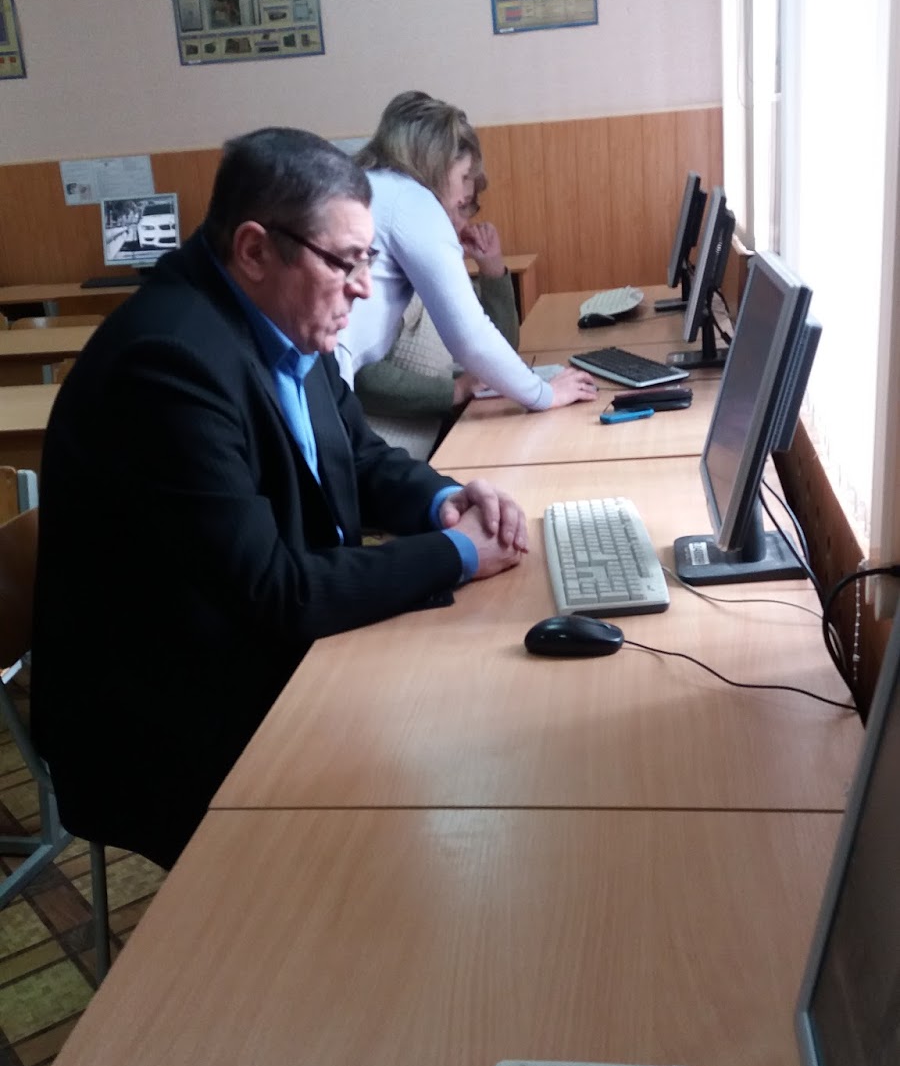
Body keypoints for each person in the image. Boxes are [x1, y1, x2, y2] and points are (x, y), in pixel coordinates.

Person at [31, 128, 529, 871]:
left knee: (472, 723)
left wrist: (447, 501)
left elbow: (359, 457)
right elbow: (276, 593)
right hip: (168, 721)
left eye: (367, 259)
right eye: (345, 261)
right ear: (256, 250)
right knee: (423, 806)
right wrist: (458, 554)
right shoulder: (168, 364)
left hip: (258, 652)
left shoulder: (282, 317)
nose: (364, 287)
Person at [338, 90, 597, 413]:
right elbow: (470, 337)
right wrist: (545, 394)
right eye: (462, 177)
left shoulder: (369, 186)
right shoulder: (413, 202)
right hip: (328, 377)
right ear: (436, 162)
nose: (463, 195)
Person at [355, 166, 521, 456]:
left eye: (467, 208)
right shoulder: (389, 279)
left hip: (426, 450)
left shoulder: (442, 271)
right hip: (383, 459)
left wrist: (492, 268)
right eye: (458, 207)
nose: (461, 222)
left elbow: (500, 351)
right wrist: (455, 390)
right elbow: (364, 377)